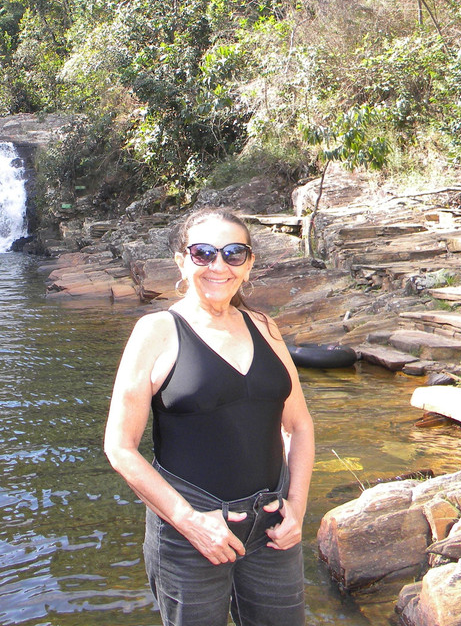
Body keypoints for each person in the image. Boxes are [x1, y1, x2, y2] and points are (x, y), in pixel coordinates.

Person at [104, 207, 314, 626]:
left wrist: (298, 507)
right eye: (203, 253)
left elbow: (299, 425)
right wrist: (189, 522)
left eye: (234, 253)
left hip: (273, 524)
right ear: (182, 261)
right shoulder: (157, 331)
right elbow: (120, 448)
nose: (218, 265)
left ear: (249, 264)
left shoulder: (265, 327)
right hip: (190, 532)